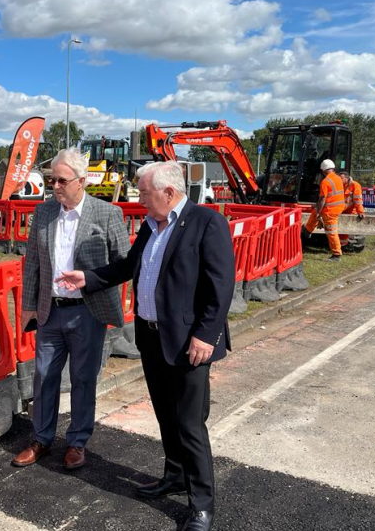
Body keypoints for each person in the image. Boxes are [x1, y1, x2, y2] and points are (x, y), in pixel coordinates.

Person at [55, 161, 235, 531]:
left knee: (189, 423)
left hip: (189, 342)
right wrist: (87, 278)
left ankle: (201, 504)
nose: (139, 201)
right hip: (152, 338)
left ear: (169, 193)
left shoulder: (205, 222)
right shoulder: (152, 228)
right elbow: (126, 267)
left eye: (144, 193)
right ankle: (175, 475)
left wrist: (206, 334)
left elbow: (221, 286)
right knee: (166, 415)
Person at [12, 147, 130, 471]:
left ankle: (77, 442)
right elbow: (33, 264)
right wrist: (27, 309)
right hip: (51, 312)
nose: (55, 186)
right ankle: (41, 439)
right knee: (44, 376)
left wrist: (90, 280)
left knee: (82, 379)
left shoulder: (107, 215)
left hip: (87, 313)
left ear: (81, 181)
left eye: (61, 180)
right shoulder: (44, 213)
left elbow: (124, 265)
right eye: (52, 180)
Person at [302, 159, 346, 261]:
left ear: (323, 171)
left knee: (331, 232)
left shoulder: (325, 182)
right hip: (338, 207)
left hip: (331, 210)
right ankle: (308, 230)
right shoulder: (338, 178)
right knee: (314, 212)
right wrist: (317, 209)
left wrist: (318, 212)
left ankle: (336, 254)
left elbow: (322, 199)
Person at [338, 169, 366, 251]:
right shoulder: (340, 185)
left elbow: (358, 201)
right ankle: (341, 245)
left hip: (351, 211)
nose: (340, 180)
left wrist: (360, 212)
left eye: (341, 179)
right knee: (340, 230)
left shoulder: (355, 185)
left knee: (347, 229)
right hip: (341, 210)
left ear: (347, 178)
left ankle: (344, 246)